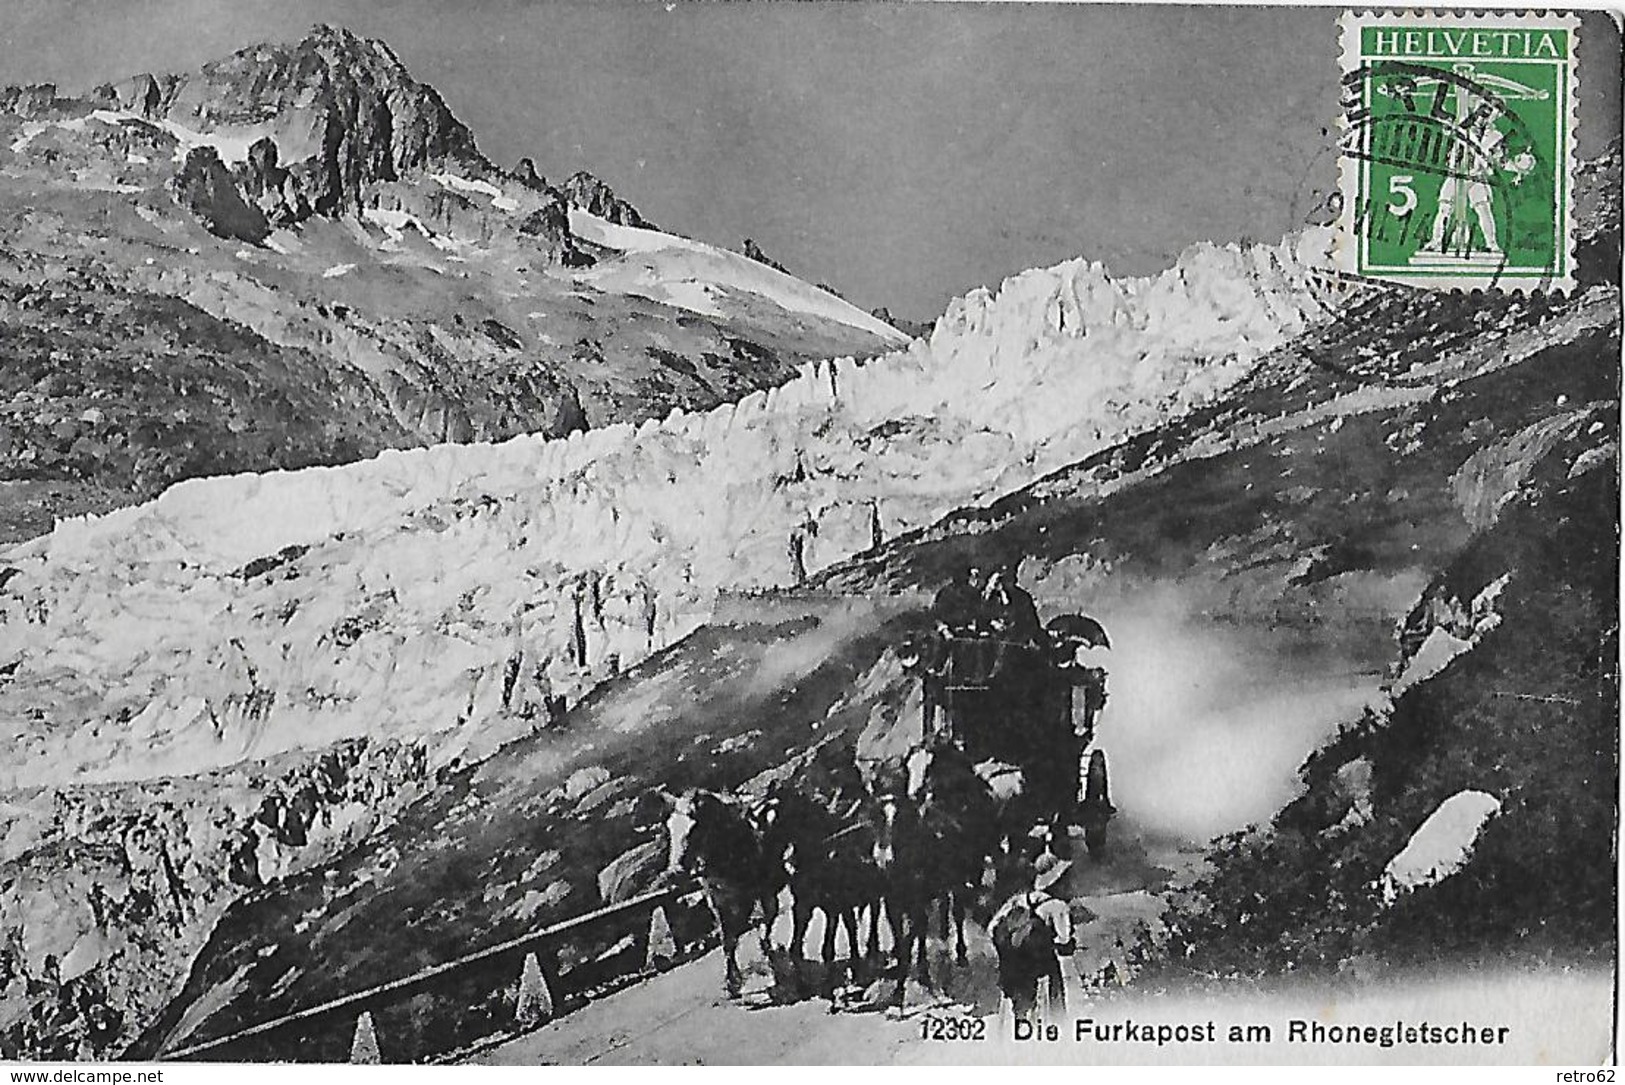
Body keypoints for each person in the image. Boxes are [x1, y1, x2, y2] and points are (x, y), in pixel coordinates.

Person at [990, 852, 1076, 1024]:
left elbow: (992, 929)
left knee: (1017, 1013)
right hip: (1041, 969)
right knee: (1051, 1008)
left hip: (1016, 969)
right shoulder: (1058, 906)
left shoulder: (1017, 900)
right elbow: (1064, 940)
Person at [982, 566, 1042, 644]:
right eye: (996, 582)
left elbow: (1030, 622)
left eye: (1003, 580)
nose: (1000, 585)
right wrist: (993, 623)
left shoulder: (1021, 597)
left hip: (1017, 637)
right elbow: (984, 616)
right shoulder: (991, 597)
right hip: (995, 638)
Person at [930, 564, 985, 631]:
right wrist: (944, 629)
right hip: (949, 628)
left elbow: (978, 612)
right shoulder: (946, 592)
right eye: (959, 576)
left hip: (968, 628)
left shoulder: (973, 592)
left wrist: (973, 625)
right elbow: (937, 614)